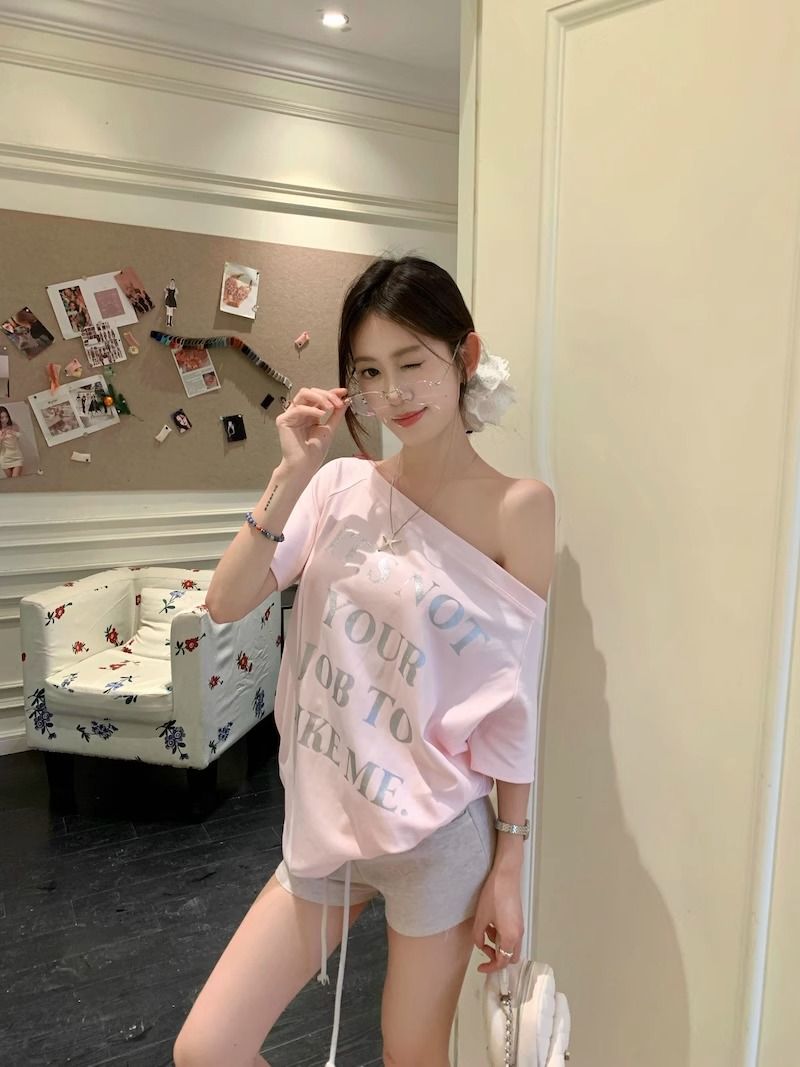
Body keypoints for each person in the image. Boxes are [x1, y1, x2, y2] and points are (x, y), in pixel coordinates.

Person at [173, 256, 556, 1067]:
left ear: (465, 354)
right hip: (325, 823)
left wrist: (510, 861)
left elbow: (511, 702)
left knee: (411, 1055)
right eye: (370, 371)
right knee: (208, 1048)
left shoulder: (519, 509)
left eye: (412, 363)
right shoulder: (337, 486)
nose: (394, 392)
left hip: (439, 836)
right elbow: (226, 600)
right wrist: (290, 474)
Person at [0, 406, 25, 477]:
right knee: (11, 481)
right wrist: (1, 438)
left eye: (6, 417)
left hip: (17, 457)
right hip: (5, 459)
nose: (5, 419)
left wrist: (13, 432)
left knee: (15, 478)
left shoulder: (13, 426)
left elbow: (21, 436)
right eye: (2, 417)